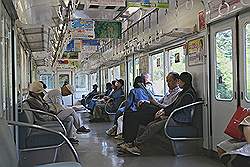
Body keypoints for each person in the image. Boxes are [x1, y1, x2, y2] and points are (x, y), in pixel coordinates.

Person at [122, 72, 197, 155]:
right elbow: (173, 105)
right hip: (174, 116)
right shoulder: (184, 92)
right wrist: (164, 112)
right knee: (150, 124)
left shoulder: (188, 94)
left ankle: (134, 144)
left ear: (184, 82)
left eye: (180, 81)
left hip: (180, 119)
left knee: (153, 126)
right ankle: (137, 145)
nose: (178, 83)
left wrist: (165, 113)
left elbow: (177, 108)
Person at [119, 72, 181, 145]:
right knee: (129, 114)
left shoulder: (178, 93)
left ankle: (129, 142)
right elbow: (160, 101)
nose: (167, 84)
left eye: (169, 81)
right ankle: (126, 140)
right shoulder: (168, 93)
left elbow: (168, 107)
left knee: (135, 115)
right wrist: (147, 101)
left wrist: (155, 103)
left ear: (177, 81)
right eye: (167, 81)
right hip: (157, 109)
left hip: (161, 111)